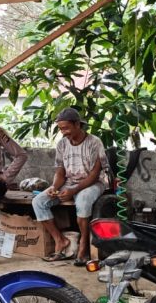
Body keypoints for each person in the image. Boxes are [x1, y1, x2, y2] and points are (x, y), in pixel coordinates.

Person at [33, 107, 109, 266]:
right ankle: (60, 240)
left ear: (77, 124)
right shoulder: (62, 144)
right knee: (39, 201)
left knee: (82, 201)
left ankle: (83, 244)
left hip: (93, 182)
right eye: (61, 129)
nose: (63, 132)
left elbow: (94, 175)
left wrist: (73, 190)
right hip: (69, 182)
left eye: (66, 128)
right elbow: (60, 172)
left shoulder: (94, 142)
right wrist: (54, 187)